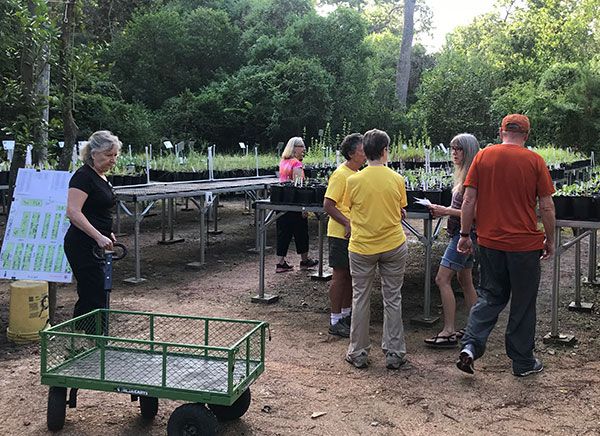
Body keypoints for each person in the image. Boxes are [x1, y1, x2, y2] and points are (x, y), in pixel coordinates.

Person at [455, 114, 556, 377]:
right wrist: (550, 238)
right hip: (524, 246)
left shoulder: (483, 157)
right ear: (526, 135)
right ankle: (522, 363)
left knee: (490, 296)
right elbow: (545, 205)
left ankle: (470, 346)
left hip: (489, 242)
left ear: (501, 132)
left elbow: (468, 201)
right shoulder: (535, 161)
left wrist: (465, 235)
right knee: (523, 302)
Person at [344, 129, 409, 370]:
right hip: (392, 244)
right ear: (384, 151)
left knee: (360, 297)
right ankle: (394, 352)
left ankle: (358, 352)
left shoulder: (353, 180)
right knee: (392, 297)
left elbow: (351, 208)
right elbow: (401, 211)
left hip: (362, 247)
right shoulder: (397, 179)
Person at [424, 133, 480, 348]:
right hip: (464, 234)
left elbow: (474, 214)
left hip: (464, 236)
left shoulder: (472, 178)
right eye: (452, 148)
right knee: (464, 280)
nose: (454, 152)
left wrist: (445, 210)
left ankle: (448, 330)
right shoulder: (464, 174)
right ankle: (475, 327)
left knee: (441, 278)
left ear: (469, 151)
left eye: (459, 149)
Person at [64, 130, 120, 323]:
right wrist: (98, 236)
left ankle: (96, 338)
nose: (113, 160)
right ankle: (83, 338)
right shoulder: (83, 177)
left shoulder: (101, 176)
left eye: (115, 156)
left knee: (100, 291)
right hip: (82, 243)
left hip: (98, 244)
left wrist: (107, 232)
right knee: (92, 292)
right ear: (93, 153)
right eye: (108, 155)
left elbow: (96, 210)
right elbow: (73, 212)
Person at [323, 133, 366, 338]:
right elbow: (328, 205)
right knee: (340, 275)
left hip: (354, 233)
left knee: (350, 275)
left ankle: (347, 315)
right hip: (340, 233)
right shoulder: (341, 175)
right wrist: (347, 222)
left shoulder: (358, 174)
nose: (365, 154)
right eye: (362, 150)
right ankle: (334, 318)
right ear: (351, 153)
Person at [275, 137, 318, 273]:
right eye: (302, 146)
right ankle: (304, 260)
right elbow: (299, 186)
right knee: (301, 232)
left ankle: (280, 262)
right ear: (295, 148)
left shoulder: (283, 162)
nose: (304, 149)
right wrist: (303, 208)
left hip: (282, 201)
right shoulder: (297, 164)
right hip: (295, 202)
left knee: (283, 232)